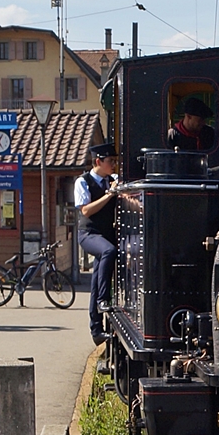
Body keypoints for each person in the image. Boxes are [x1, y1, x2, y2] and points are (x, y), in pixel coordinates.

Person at [75, 143, 118, 345]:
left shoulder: (114, 180)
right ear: (98, 161)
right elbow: (85, 211)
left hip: (105, 234)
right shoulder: (82, 182)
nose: (114, 165)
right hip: (89, 234)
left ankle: (96, 329)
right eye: (111, 161)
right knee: (109, 251)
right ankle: (103, 299)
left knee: (95, 280)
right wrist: (109, 194)